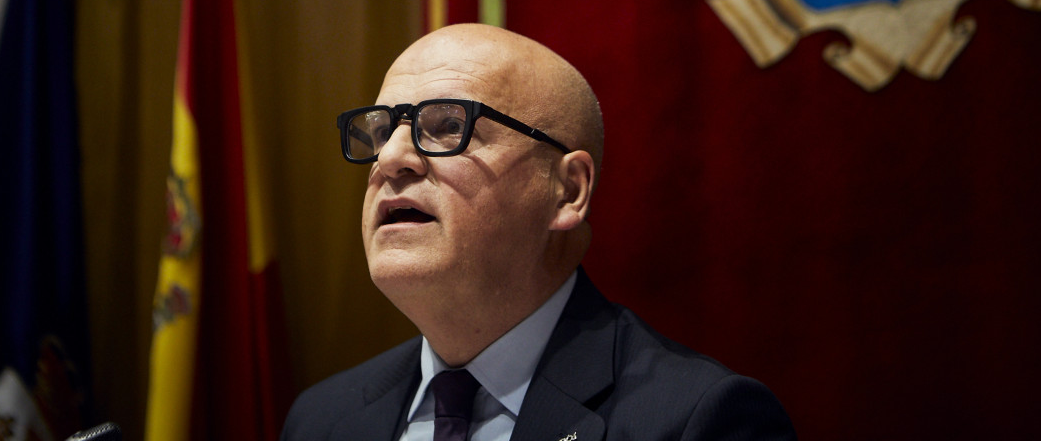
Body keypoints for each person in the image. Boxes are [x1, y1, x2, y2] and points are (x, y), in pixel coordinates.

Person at [282, 23, 795, 441]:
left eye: (447, 127)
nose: (389, 159)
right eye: (379, 132)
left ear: (568, 189)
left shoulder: (696, 421)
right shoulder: (322, 419)